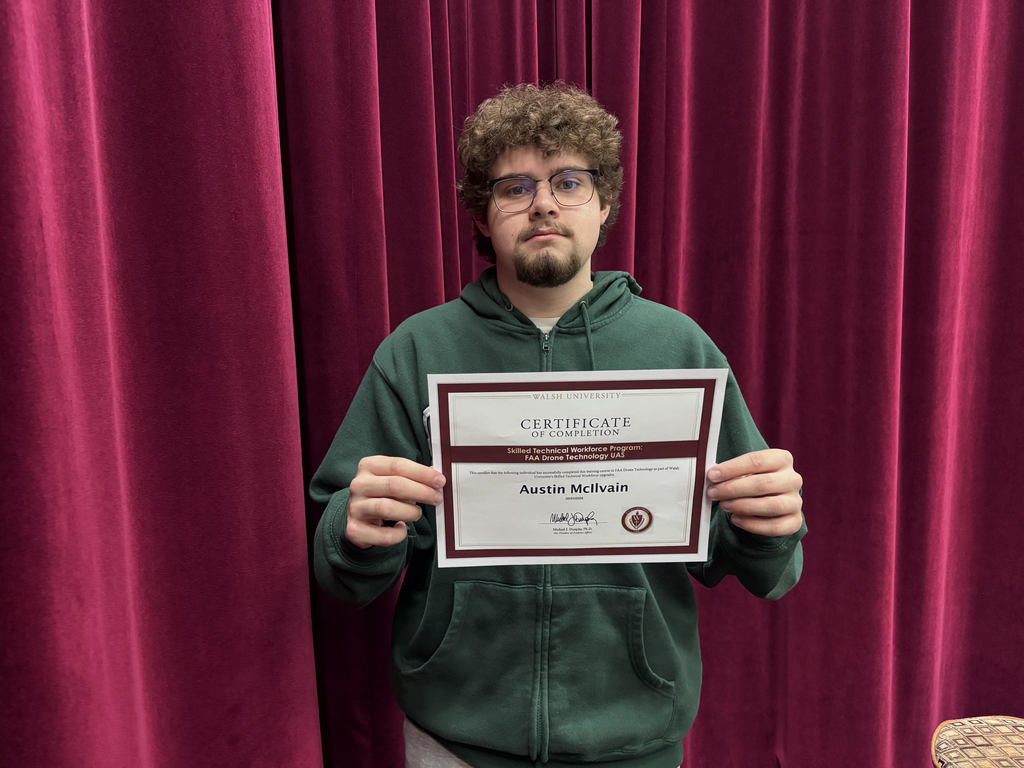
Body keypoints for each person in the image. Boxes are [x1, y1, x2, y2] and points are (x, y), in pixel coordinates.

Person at [311, 82, 806, 768]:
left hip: (635, 738)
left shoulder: (679, 350)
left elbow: (759, 566)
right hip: (456, 738)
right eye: (514, 187)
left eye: (569, 181)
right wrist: (355, 531)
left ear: (604, 204)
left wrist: (770, 528)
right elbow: (342, 571)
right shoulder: (417, 352)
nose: (542, 201)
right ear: (483, 217)